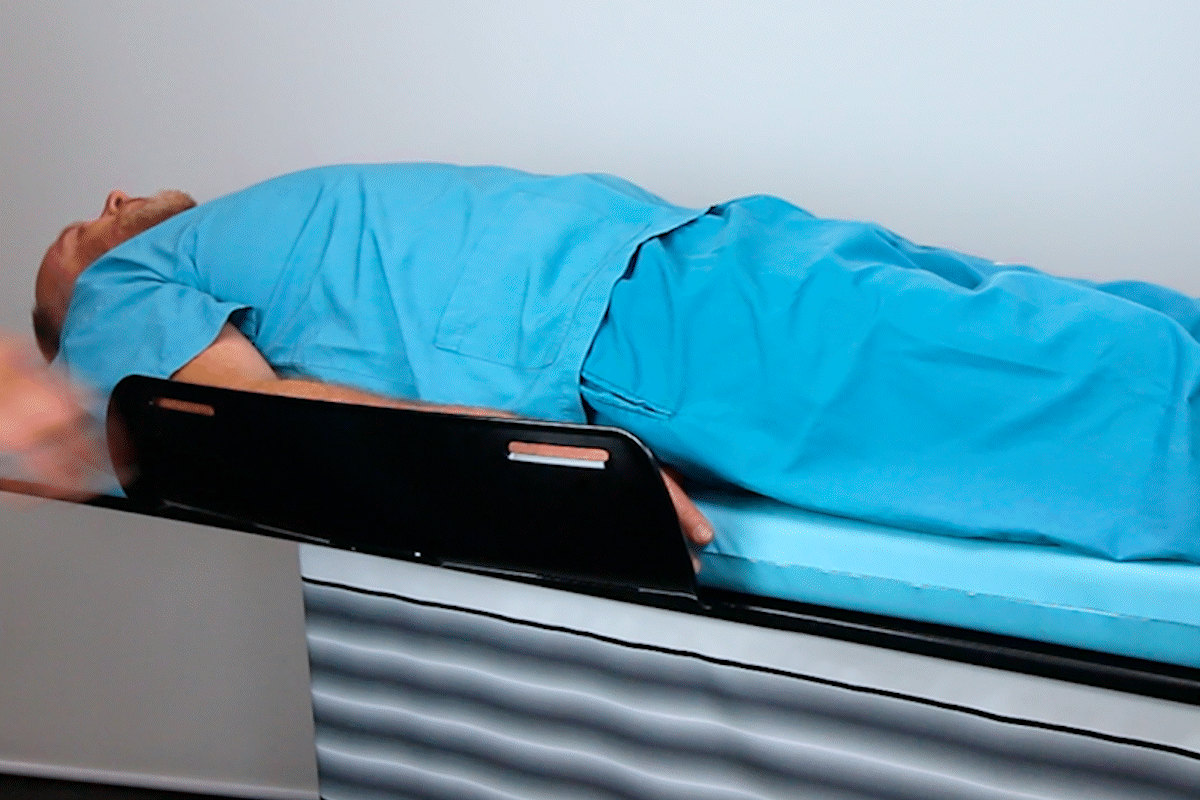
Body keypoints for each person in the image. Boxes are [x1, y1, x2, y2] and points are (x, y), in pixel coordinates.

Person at [33, 164, 1200, 562]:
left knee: (1103, 337)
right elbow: (274, 422)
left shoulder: (252, 230)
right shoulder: (118, 293)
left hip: (701, 247)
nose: (110, 206)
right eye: (72, 243)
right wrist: (571, 469)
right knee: (1106, 408)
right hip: (643, 326)